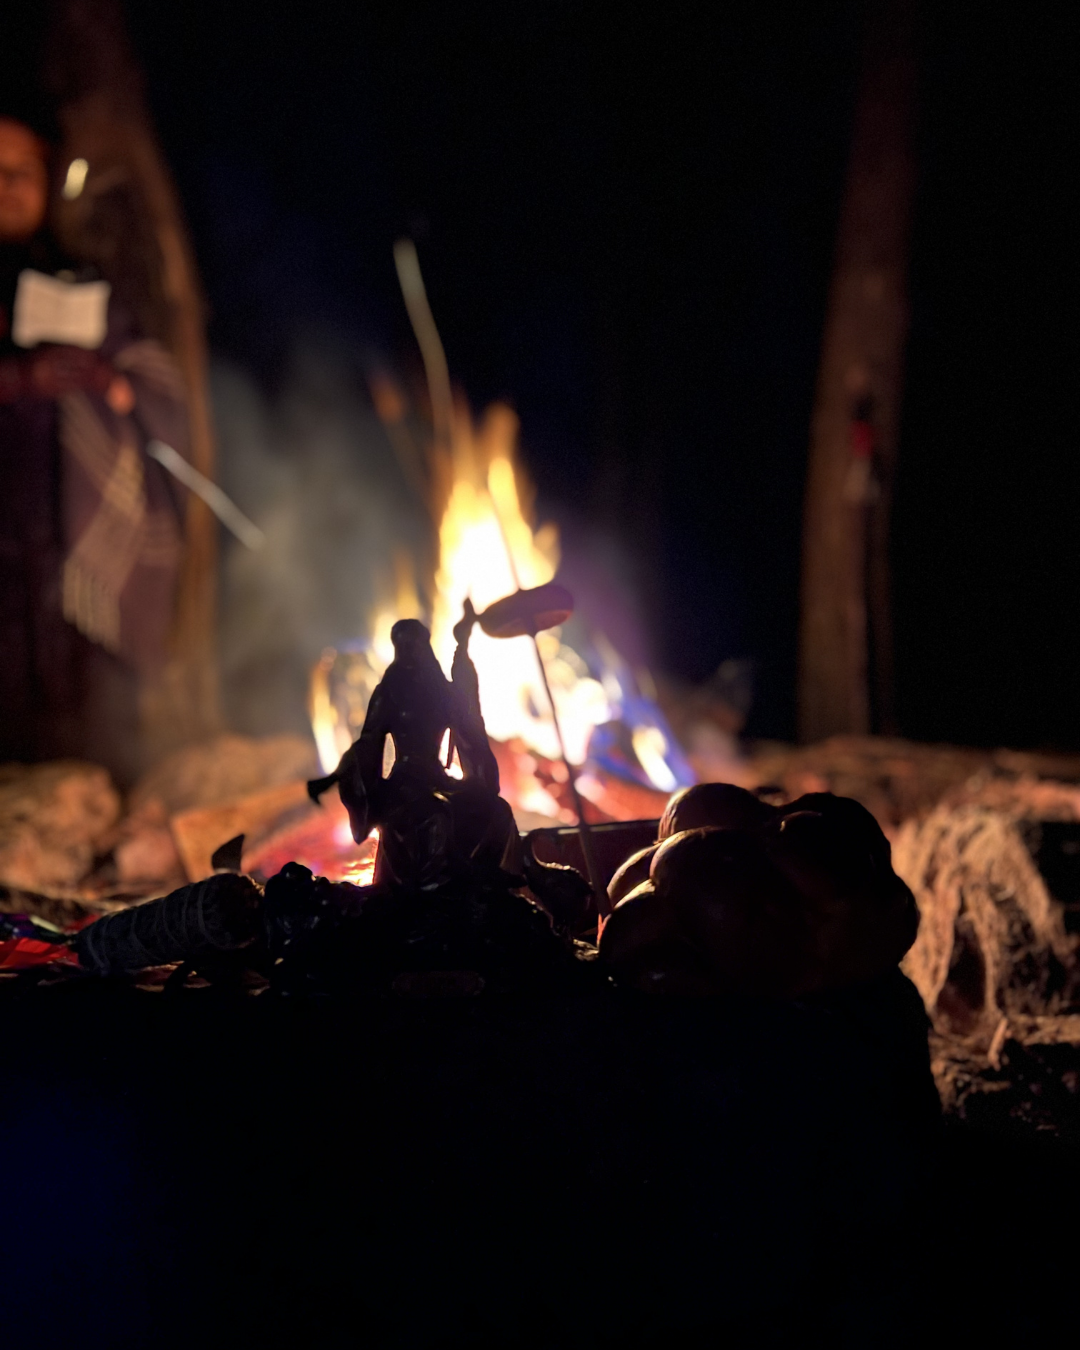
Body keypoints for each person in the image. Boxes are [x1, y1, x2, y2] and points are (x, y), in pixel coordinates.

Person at [0, 111, 190, 782]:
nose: (7, 188)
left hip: (72, 512)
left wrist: (110, 382)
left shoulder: (75, 274)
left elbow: (143, 366)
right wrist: (24, 377)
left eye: (20, 173)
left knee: (81, 675)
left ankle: (97, 796)